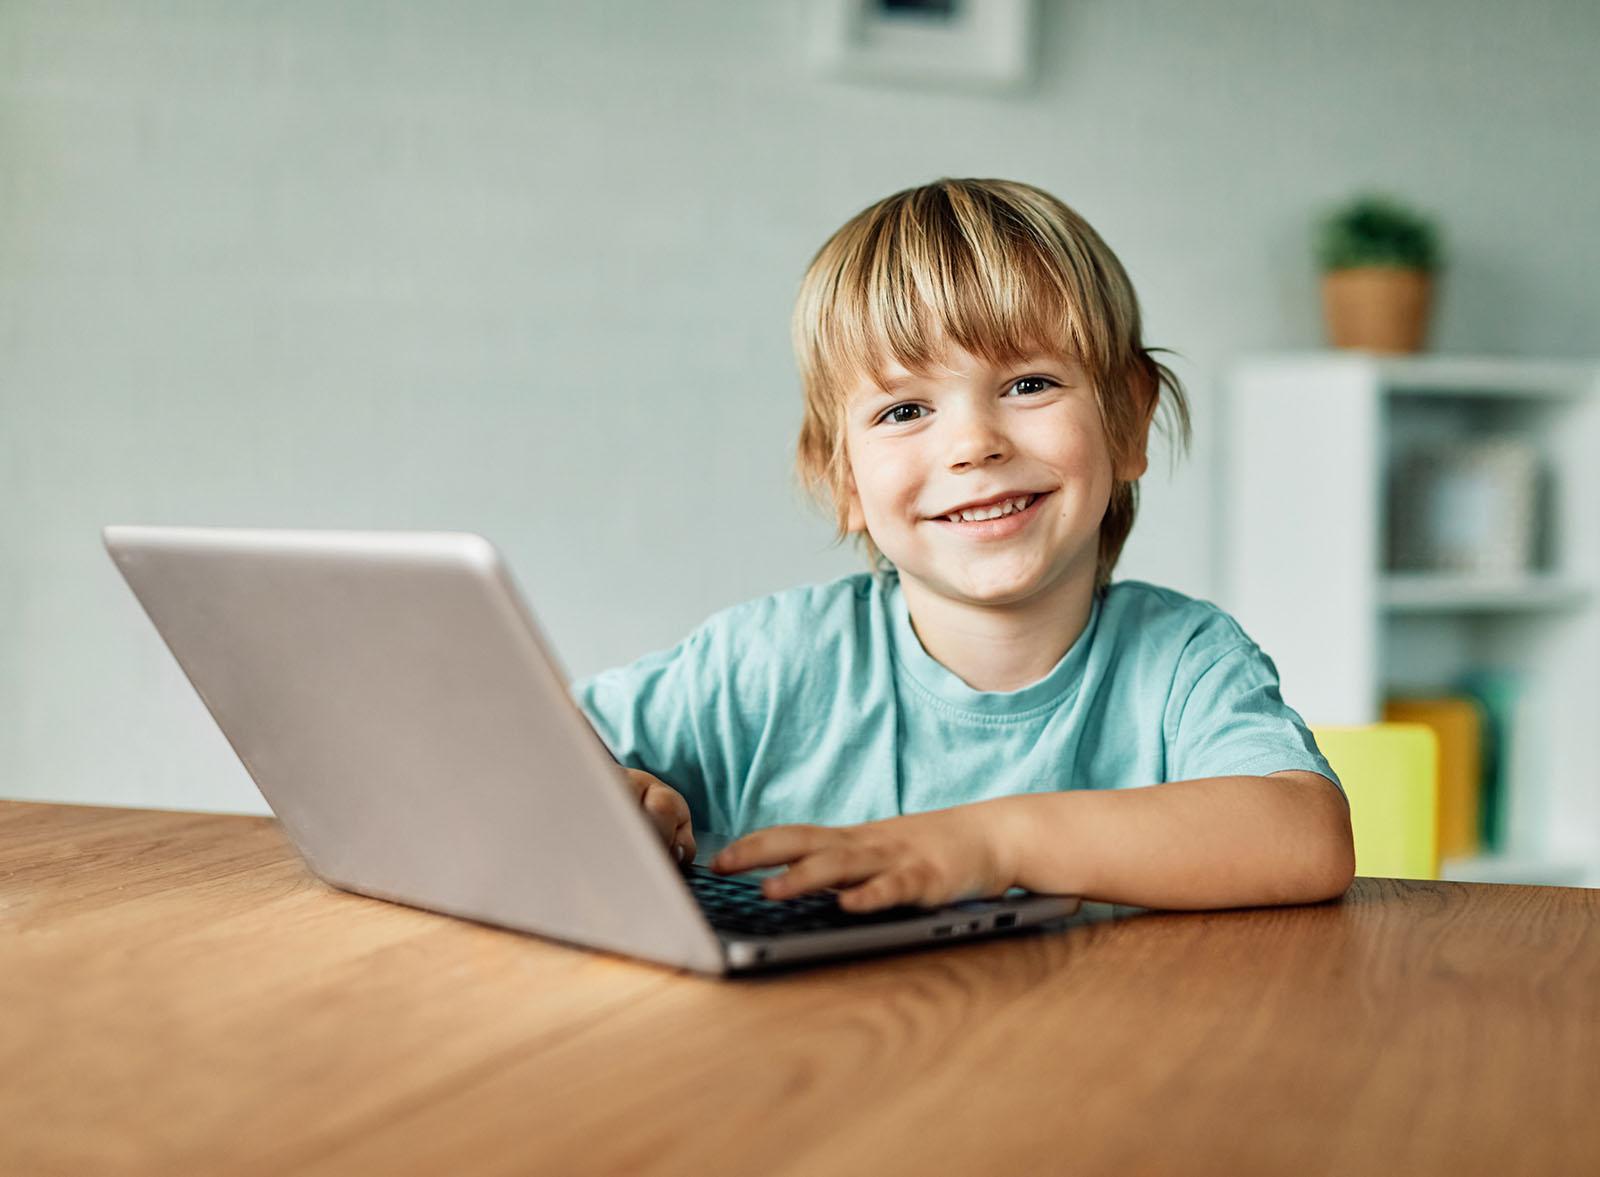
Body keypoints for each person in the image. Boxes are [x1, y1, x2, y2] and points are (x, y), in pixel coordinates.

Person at [571, 177, 1354, 914]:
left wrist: (994, 841)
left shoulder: (1184, 661)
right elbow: (518, 754)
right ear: (842, 479)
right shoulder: (760, 667)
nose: (973, 444)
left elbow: (1307, 838)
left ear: (1127, 421)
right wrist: (616, 792)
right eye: (905, 410)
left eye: (1028, 384)